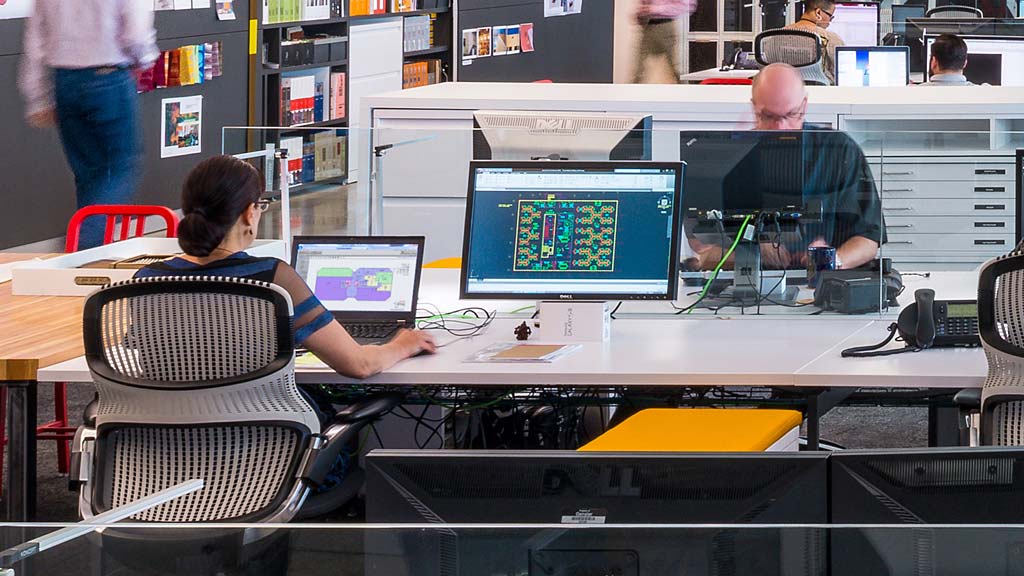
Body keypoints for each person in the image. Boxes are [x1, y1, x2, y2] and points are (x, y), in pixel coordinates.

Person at [134, 155, 437, 420]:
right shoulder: (271, 277)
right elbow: (359, 365)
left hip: (167, 454)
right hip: (267, 457)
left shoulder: (145, 279)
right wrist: (403, 344)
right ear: (249, 214)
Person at [687, 63, 884, 272]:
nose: (780, 127)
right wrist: (754, 254)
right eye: (769, 116)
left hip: (821, 283)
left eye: (791, 115)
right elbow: (703, 248)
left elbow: (869, 239)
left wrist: (831, 259)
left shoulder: (838, 150)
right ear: (754, 107)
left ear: (804, 105)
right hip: (743, 281)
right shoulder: (729, 155)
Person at [19, 0, 158, 250]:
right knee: (121, 167)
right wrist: (145, 59)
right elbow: (136, 34)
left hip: (65, 81)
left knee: (89, 174)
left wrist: (38, 97)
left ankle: (88, 252)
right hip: (109, 76)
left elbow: (36, 39)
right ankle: (85, 244)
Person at [632, 0, 697, 84]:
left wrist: (655, 9)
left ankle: (687, 93)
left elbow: (688, 5)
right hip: (648, 27)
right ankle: (632, 95)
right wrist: (641, 11)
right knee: (638, 69)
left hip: (665, 27)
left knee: (676, 68)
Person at [785, 0, 845, 84]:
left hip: (786, 93)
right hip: (821, 95)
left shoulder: (775, 36)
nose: (829, 22)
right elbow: (842, 74)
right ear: (818, 13)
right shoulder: (832, 39)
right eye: (830, 17)